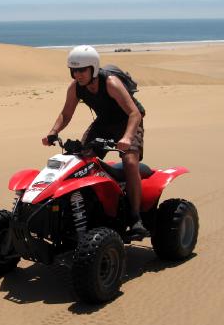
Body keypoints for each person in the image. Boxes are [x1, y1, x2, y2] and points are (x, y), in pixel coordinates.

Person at [42, 45, 148, 236]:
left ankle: (135, 218)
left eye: (82, 70)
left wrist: (127, 137)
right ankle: (85, 208)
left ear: (94, 68)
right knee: (81, 159)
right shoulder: (76, 87)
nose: (78, 75)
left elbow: (134, 113)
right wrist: (53, 132)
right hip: (103, 123)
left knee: (130, 162)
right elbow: (66, 114)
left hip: (127, 122)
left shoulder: (111, 83)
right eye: (74, 70)